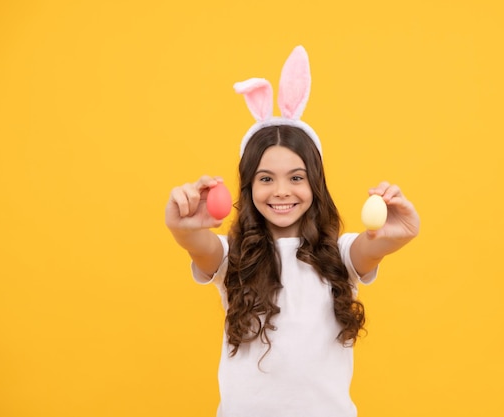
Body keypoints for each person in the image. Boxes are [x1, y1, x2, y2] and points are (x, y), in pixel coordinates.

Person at [164, 46, 420, 417]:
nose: (282, 190)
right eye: (266, 179)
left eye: (296, 178)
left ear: (315, 184)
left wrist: (398, 233)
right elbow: (197, 244)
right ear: (249, 187)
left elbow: (373, 247)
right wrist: (181, 227)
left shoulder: (341, 255)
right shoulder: (232, 256)